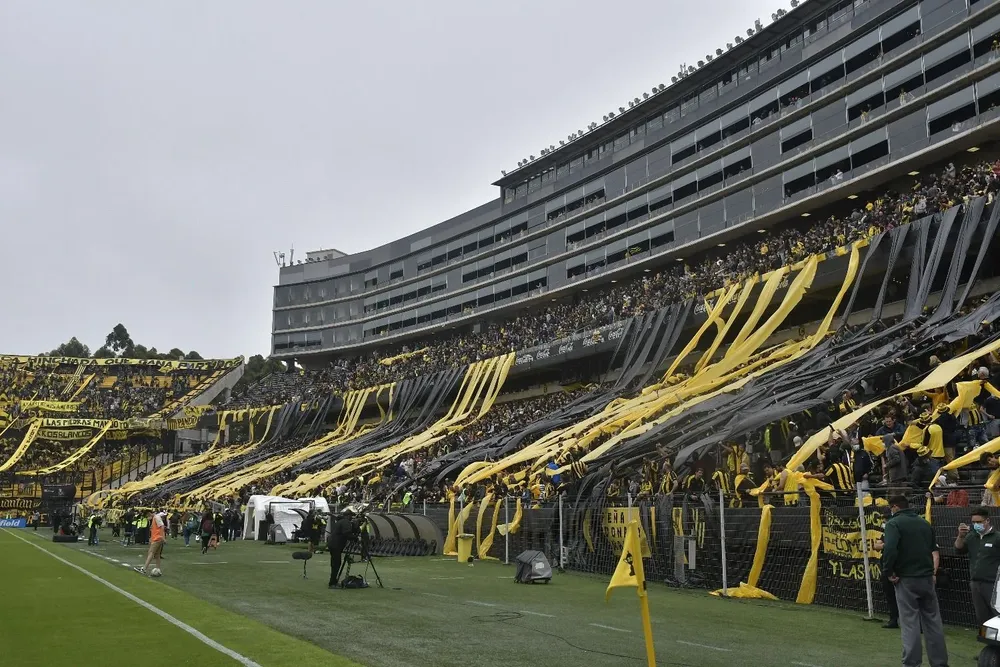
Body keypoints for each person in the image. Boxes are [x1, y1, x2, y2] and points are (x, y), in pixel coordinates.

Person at [881, 495, 948, 667]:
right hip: (926, 577)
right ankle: (940, 663)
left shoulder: (893, 524)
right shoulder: (924, 523)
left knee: (910, 623)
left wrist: (888, 571)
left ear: (895, 507)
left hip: (906, 578)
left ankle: (911, 663)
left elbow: (890, 549)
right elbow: (933, 549)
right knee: (933, 622)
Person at [955, 507, 1000, 628]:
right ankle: (987, 643)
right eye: (974, 522)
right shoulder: (971, 537)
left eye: (979, 522)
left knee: (996, 614)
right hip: (975, 583)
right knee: (981, 616)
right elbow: (959, 550)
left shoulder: (996, 537)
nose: (976, 525)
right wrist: (960, 536)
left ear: (987, 521)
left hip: (993, 584)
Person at [327, 508, 356, 589]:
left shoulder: (340, 522)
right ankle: (332, 583)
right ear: (348, 516)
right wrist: (355, 538)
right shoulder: (345, 522)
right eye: (351, 516)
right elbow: (347, 533)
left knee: (335, 563)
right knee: (336, 564)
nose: (351, 518)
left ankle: (333, 581)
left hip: (333, 544)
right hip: (336, 545)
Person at [135, 509, 165, 576]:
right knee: (157, 555)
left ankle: (144, 569)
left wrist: (162, 537)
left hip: (157, 538)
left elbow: (162, 526)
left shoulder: (156, 517)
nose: (147, 518)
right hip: (157, 538)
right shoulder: (155, 518)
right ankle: (158, 569)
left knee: (151, 552)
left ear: (149, 513)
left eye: (147, 516)